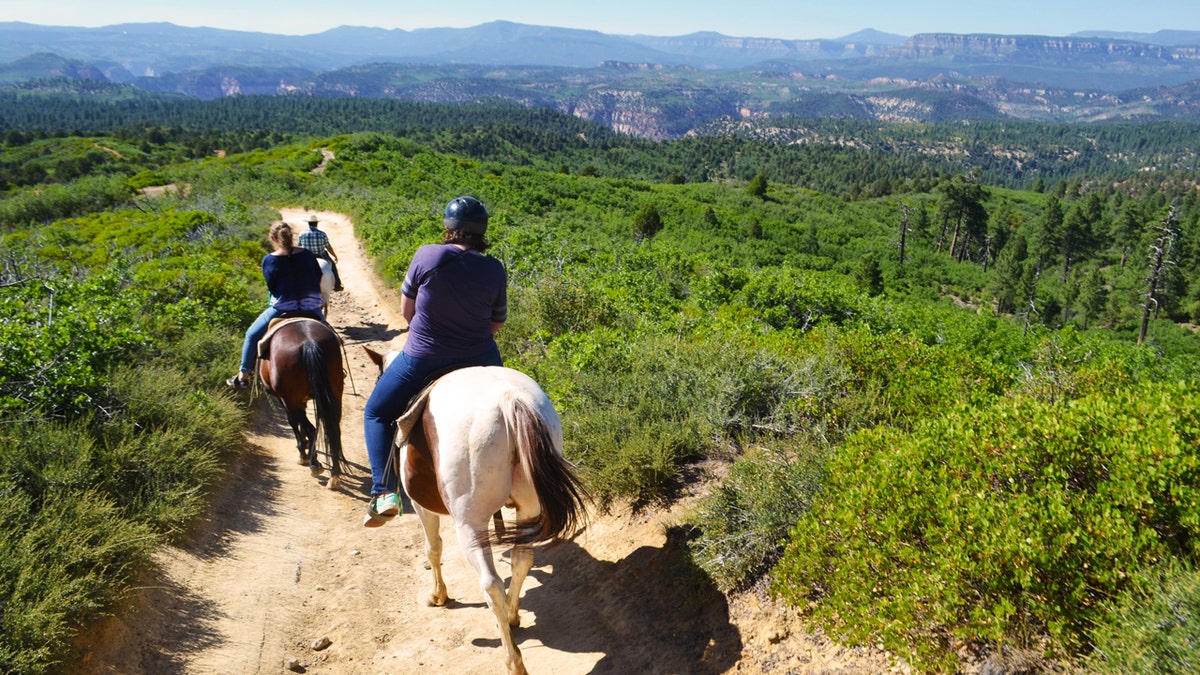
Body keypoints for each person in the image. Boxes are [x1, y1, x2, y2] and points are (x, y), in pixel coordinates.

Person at [361, 196, 507, 526]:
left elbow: (407, 312)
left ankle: (384, 492)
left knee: (377, 412)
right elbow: (496, 324)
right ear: (482, 231)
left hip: (424, 357)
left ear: (447, 227)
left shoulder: (427, 254)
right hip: (482, 358)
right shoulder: (494, 268)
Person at [227, 220, 327, 389]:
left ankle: (243, 376)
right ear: (292, 235)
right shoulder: (308, 254)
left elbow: (272, 287)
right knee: (331, 336)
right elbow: (318, 276)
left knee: (251, 335)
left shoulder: (269, 260)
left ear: (273, 238)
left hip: (283, 308)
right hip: (312, 307)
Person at [298, 214, 343, 291]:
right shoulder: (322, 234)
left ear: (308, 223)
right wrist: (334, 256)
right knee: (333, 267)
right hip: (321, 255)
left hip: (307, 257)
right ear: (317, 223)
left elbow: (299, 246)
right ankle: (337, 285)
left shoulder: (302, 234)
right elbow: (328, 247)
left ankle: (296, 286)